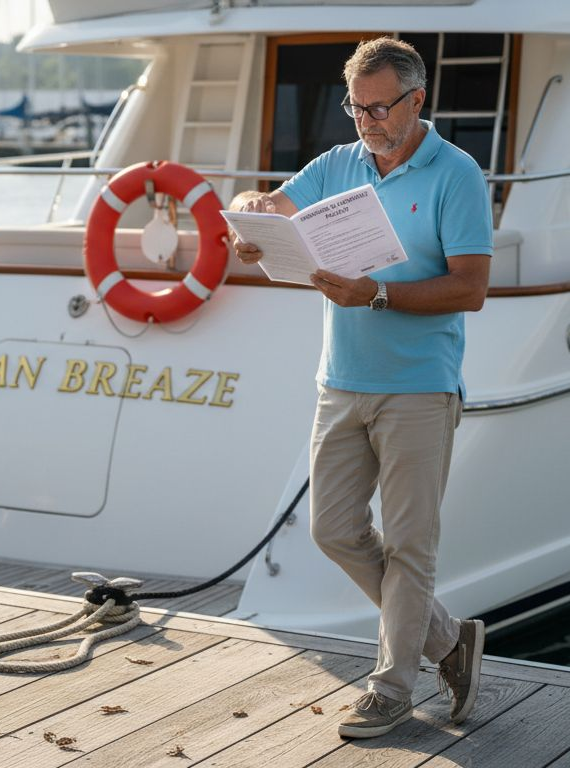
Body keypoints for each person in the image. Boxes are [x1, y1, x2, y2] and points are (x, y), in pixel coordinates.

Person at [229, 37, 493, 739]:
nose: (368, 121)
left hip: (419, 388)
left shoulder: (457, 174)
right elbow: (269, 208)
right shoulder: (339, 163)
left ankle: (391, 688)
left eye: (381, 107)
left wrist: (376, 293)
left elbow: (471, 288)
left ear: (418, 99)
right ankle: (446, 641)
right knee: (332, 529)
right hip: (339, 383)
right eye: (357, 107)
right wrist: (251, 216)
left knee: (410, 545)